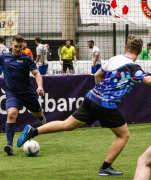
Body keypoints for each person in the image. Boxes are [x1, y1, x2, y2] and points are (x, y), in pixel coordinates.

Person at [17, 34, 151, 176]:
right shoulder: (134, 68)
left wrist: (100, 92)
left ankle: (34, 131)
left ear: (126, 48)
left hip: (91, 97)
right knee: (123, 136)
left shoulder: (115, 59)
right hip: (106, 104)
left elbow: (97, 75)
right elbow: (148, 80)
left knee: (67, 124)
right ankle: (105, 167)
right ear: (139, 51)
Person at [0, 35, 46, 156]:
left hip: (27, 94)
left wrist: (40, 86)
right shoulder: (3, 57)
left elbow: (37, 73)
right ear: (11, 45)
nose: (18, 49)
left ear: (23, 46)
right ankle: (9, 145)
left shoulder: (27, 59)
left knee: (38, 115)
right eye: (16, 46)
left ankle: (40, 116)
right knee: (11, 114)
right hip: (12, 94)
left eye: (20, 47)